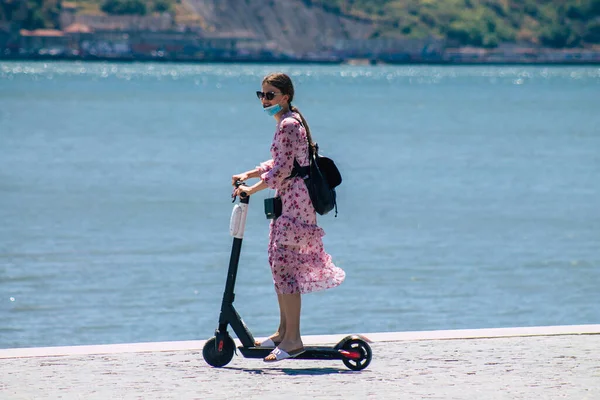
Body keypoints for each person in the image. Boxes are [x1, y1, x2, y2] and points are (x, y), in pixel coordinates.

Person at [232, 72, 345, 362]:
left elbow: (282, 170)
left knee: (285, 266)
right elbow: (283, 161)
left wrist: (251, 189)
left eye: (270, 95)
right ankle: (283, 332)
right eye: (261, 95)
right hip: (291, 200)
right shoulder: (289, 122)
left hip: (294, 202)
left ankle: (293, 340)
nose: (265, 100)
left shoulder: (288, 125)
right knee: (279, 263)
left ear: (285, 96)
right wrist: (250, 172)